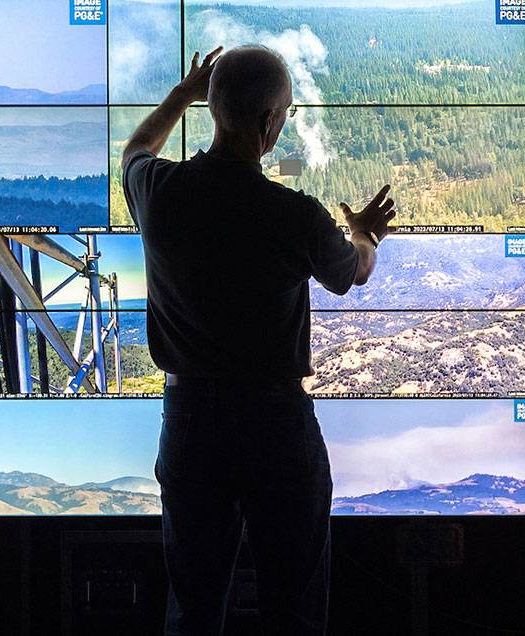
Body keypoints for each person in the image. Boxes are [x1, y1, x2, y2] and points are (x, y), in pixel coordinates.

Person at [120, 45, 395, 636]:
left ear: (211, 109)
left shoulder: (160, 193)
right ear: (271, 124)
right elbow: (354, 272)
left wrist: (180, 95)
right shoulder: (294, 215)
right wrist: (363, 233)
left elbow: (134, 151)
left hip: (190, 420)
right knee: (293, 611)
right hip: (277, 424)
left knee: (194, 609)